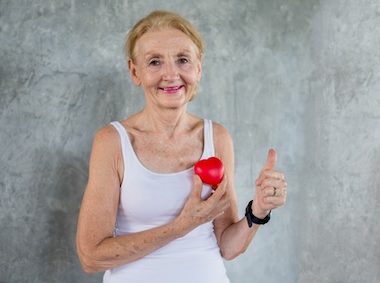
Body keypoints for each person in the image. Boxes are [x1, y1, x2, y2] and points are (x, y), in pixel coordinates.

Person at [76, 10, 287, 283]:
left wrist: (259, 209)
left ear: (198, 67)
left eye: (182, 60)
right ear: (134, 71)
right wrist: (182, 226)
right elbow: (91, 257)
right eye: (154, 62)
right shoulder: (112, 142)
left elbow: (227, 245)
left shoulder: (217, 138)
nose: (171, 74)